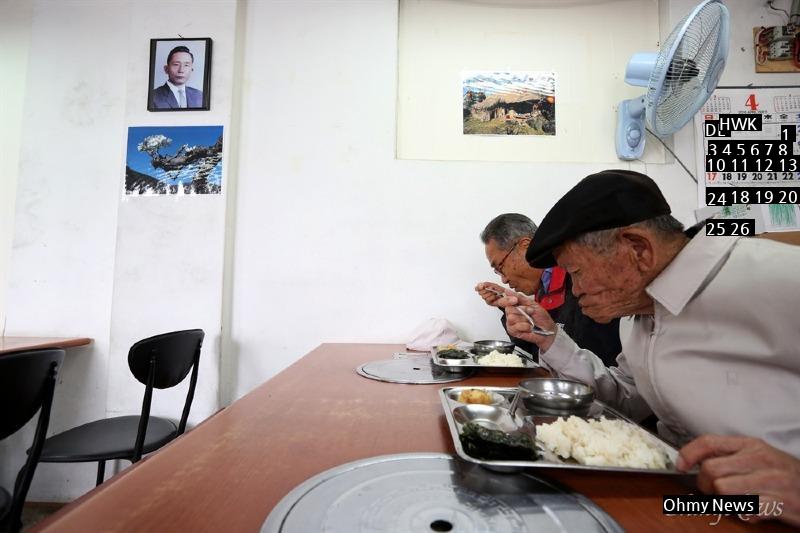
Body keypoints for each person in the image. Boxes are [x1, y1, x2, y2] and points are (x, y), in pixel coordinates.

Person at [503, 169, 800, 527]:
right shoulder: (637, 315)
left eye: (577, 272)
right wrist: (550, 338)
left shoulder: (776, 279)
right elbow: (626, 396)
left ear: (638, 249)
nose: (575, 290)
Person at [475, 213, 621, 365]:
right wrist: (509, 307)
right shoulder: (543, 288)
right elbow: (537, 350)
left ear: (525, 246)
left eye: (500, 266)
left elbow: (595, 359)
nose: (503, 279)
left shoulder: (583, 283)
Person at [151, 45, 204, 110]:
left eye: (186, 65)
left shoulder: (200, 95)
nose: (181, 70)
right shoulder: (153, 96)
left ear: (191, 70)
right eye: (176, 64)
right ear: (166, 69)